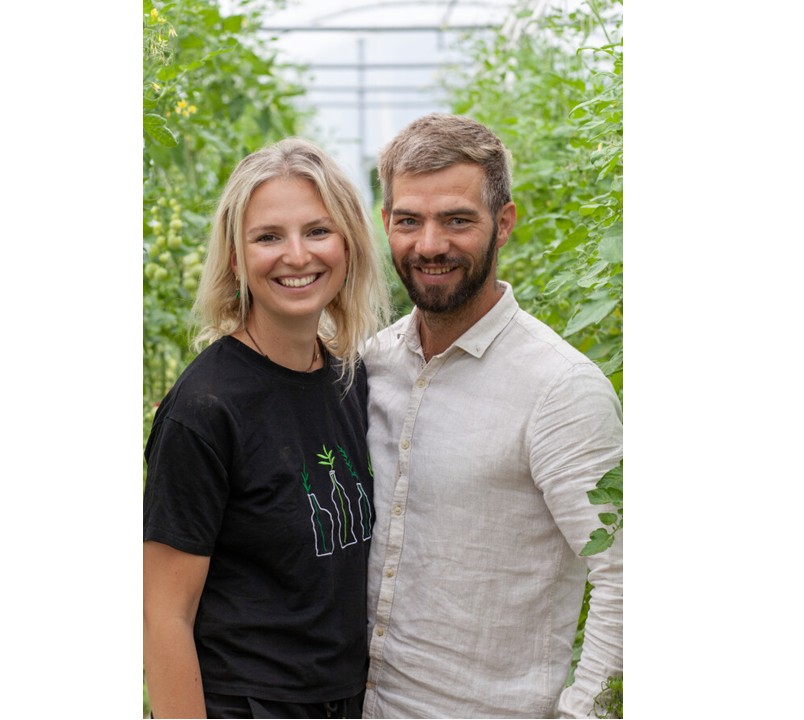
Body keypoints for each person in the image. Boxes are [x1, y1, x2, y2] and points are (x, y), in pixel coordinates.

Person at [362, 114, 623, 719]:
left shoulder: (559, 389)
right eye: (410, 221)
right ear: (386, 224)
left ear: (503, 223)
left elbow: (625, 577)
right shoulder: (370, 365)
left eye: (457, 220)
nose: (430, 245)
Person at [143, 138, 389, 719]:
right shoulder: (205, 408)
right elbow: (162, 615)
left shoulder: (346, 381)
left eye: (318, 231)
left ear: (349, 244)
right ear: (235, 257)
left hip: (345, 701)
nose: (297, 255)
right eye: (268, 236)